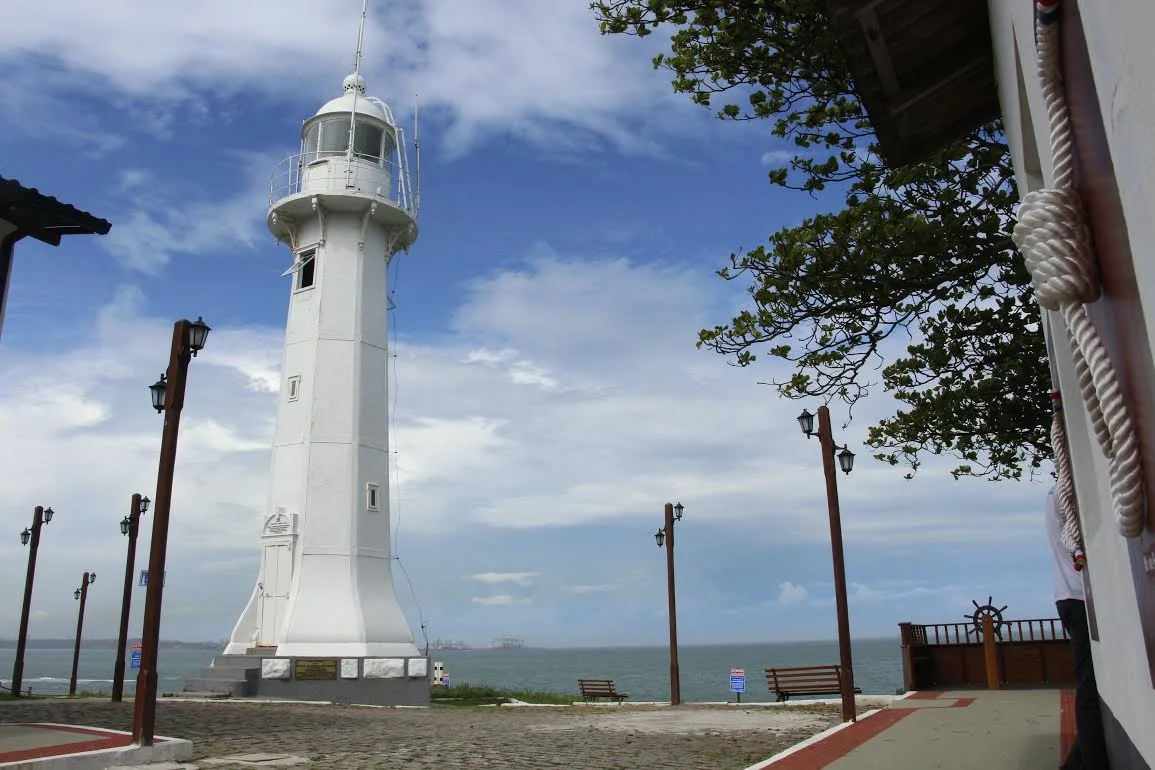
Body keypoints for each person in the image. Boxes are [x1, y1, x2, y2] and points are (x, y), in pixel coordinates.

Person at [1046, 484, 1109, 769]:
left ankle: (1079, 760)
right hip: (1079, 597)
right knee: (1089, 685)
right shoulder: (1065, 493)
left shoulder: (1057, 492)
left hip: (1072, 598)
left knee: (1091, 684)